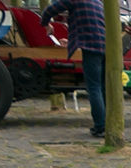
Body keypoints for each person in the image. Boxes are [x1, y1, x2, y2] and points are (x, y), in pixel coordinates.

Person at [39, 0, 106, 136]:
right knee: (104, 87)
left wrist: (46, 24)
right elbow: (89, 25)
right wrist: (71, 42)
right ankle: (108, 123)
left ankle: (100, 126)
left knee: (94, 87)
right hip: (105, 46)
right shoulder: (97, 1)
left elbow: (49, 10)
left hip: (91, 48)